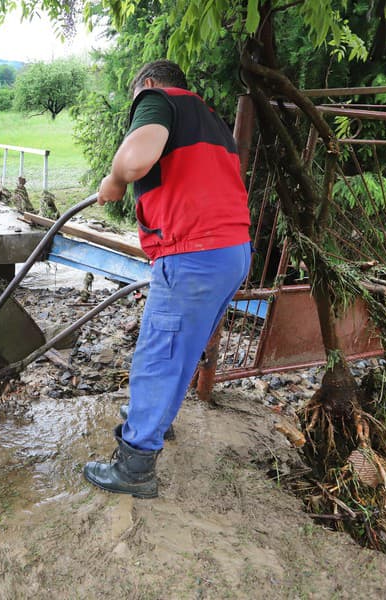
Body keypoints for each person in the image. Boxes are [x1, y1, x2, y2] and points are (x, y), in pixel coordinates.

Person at [83, 60, 252, 499]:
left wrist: (115, 179)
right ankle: (156, 418)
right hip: (232, 252)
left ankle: (135, 465)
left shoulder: (157, 99)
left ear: (150, 85)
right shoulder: (211, 118)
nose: (137, 106)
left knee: (158, 354)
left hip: (195, 254)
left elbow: (137, 160)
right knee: (182, 348)